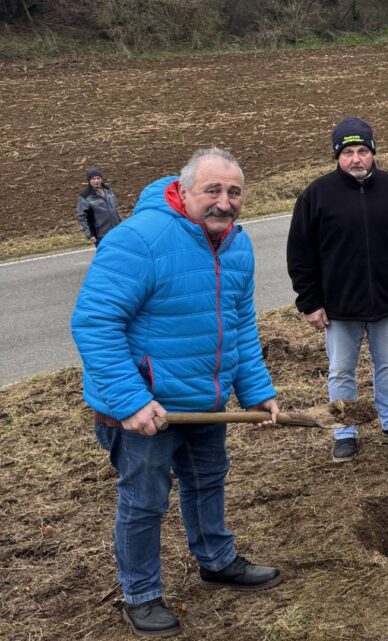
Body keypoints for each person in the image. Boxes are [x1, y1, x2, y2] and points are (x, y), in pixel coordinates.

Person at [71, 148, 282, 638]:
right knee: (144, 501)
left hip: (205, 403)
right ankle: (141, 593)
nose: (223, 202)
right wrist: (129, 401)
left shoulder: (236, 245)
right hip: (147, 407)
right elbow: (95, 323)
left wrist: (256, 391)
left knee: (208, 480)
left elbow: (240, 325)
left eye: (233, 192)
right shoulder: (138, 240)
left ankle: (216, 559)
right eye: (212, 191)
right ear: (184, 192)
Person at [287, 117, 388, 462]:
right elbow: (300, 253)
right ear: (337, 156)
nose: (356, 159)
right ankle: (345, 431)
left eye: (362, 151)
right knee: (340, 370)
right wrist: (310, 302)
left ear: (372, 152)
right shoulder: (316, 196)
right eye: (348, 152)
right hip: (338, 306)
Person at [76, 165, 124, 246]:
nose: (96, 181)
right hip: (101, 235)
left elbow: (115, 209)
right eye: (93, 179)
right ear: (89, 181)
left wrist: (121, 224)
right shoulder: (85, 197)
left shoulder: (108, 190)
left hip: (116, 230)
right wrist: (90, 234)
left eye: (98, 178)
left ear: (101, 179)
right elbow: (81, 217)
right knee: (107, 257)